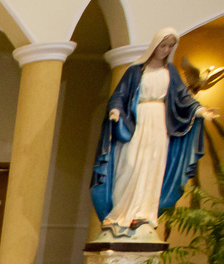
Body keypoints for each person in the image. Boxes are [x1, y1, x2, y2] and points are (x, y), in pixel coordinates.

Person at [90, 28, 210, 239]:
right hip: (137, 120)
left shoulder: (170, 72)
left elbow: (183, 97)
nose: (166, 50)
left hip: (158, 123)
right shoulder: (136, 71)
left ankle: (143, 213)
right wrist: (115, 110)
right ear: (155, 45)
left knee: (152, 165)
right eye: (163, 45)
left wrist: (200, 110)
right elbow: (120, 95)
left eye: (170, 46)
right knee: (130, 163)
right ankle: (119, 213)